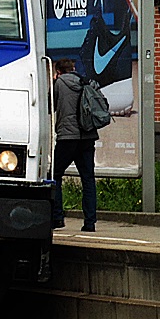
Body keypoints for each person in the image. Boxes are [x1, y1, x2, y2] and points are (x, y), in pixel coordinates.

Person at [51, 58, 98, 232]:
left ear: (58, 72)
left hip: (67, 137)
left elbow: (51, 106)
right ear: (74, 68)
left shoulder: (59, 84)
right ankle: (90, 223)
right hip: (87, 137)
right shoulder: (86, 81)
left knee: (55, 175)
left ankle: (57, 218)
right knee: (88, 179)